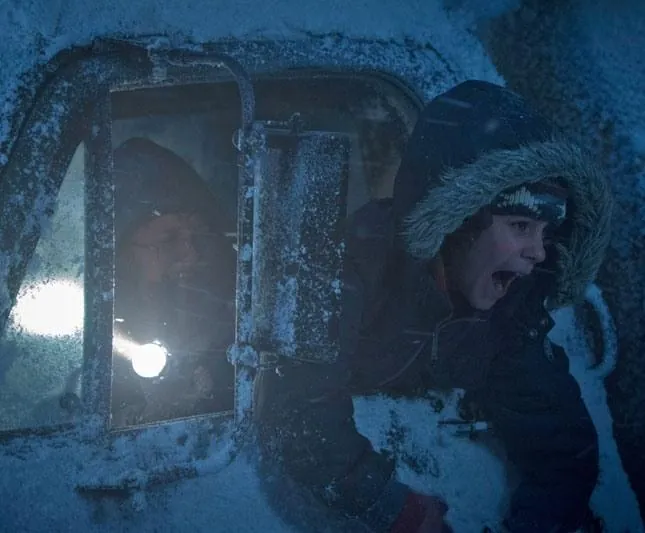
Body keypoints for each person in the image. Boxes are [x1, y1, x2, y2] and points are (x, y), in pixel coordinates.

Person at [256, 80, 611, 533]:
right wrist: (399, 511)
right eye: (521, 226)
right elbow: (302, 416)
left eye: (545, 234)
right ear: (457, 220)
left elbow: (562, 448)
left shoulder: (509, 307)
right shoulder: (352, 269)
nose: (538, 252)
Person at [110, 137, 237, 427]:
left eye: (199, 235)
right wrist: (136, 418)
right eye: (168, 240)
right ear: (123, 253)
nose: (191, 254)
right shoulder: (92, 352)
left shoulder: (243, 333)